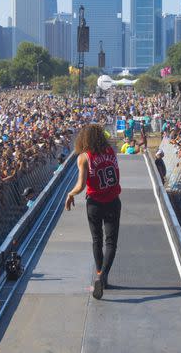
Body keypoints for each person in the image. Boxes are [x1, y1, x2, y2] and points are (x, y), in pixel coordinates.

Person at [65, 124, 121, 300]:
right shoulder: (111, 151)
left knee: (97, 239)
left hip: (95, 203)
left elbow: (81, 186)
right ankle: (104, 276)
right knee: (111, 242)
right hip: (112, 201)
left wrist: (70, 193)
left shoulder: (84, 157)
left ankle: (99, 273)